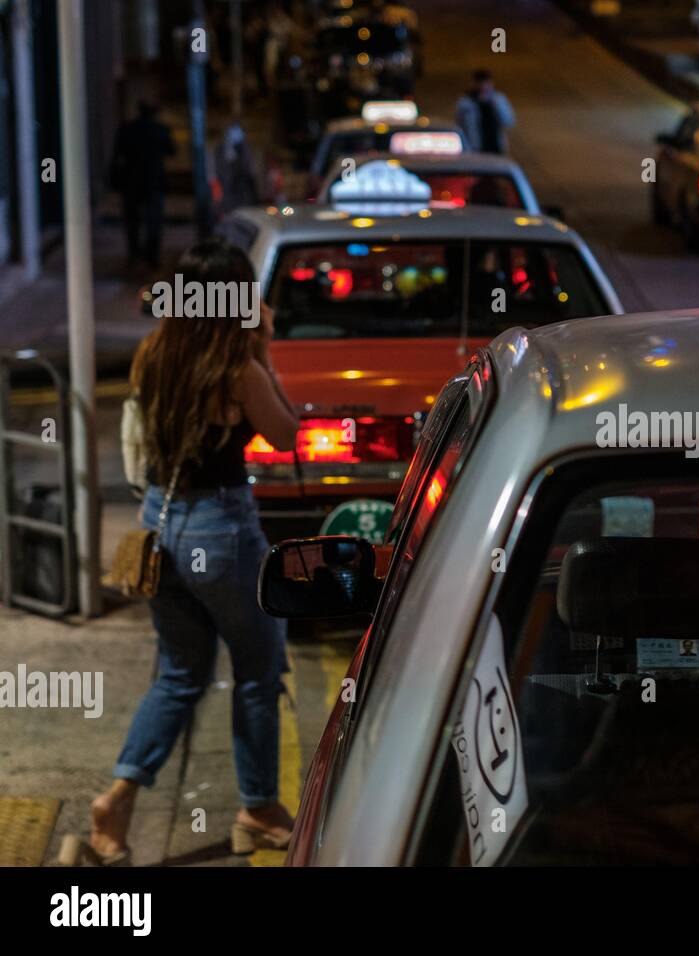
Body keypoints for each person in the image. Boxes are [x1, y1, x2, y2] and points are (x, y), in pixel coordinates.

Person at [86, 239, 300, 866]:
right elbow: (285, 434)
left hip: (159, 521)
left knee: (181, 673)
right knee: (260, 670)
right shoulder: (236, 367)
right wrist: (261, 348)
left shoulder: (156, 353)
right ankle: (259, 807)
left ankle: (118, 799)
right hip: (221, 531)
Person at [109, 101, 175, 271]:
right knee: (154, 220)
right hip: (152, 181)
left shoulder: (128, 129)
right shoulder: (160, 130)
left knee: (133, 220)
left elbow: (117, 155)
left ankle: (135, 253)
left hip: (132, 181)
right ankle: (151, 255)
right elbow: (171, 151)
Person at [455, 70, 516, 155]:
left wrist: (496, 105)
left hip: (496, 147)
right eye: (481, 84)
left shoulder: (498, 99)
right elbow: (460, 124)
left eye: (487, 84)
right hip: (475, 148)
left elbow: (509, 121)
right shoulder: (466, 102)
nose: (484, 87)